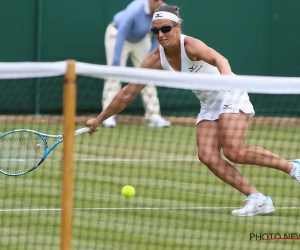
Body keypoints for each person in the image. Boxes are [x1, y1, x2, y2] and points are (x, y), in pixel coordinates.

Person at [86, 5, 300, 216]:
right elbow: (128, 93)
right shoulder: (154, 59)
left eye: (166, 29)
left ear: (177, 26)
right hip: (208, 103)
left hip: (228, 91)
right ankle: (258, 199)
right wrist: (99, 119)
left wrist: (226, 84)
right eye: (155, 31)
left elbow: (220, 60)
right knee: (207, 155)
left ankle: (293, 167)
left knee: (235, 151)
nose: (160, 34)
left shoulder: (190, 45)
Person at [102, 0, 171, 128]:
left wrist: (151, 56)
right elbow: (122, 32)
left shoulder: (164, 10)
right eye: (156, 0)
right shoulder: (135, 8)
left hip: (140, 39)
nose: (159, 2)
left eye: (161, 0)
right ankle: (108, 117)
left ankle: (154, 116)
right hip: (117, 35)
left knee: (147, 75)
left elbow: (162, 34)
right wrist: (115, 61)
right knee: (114, 75)